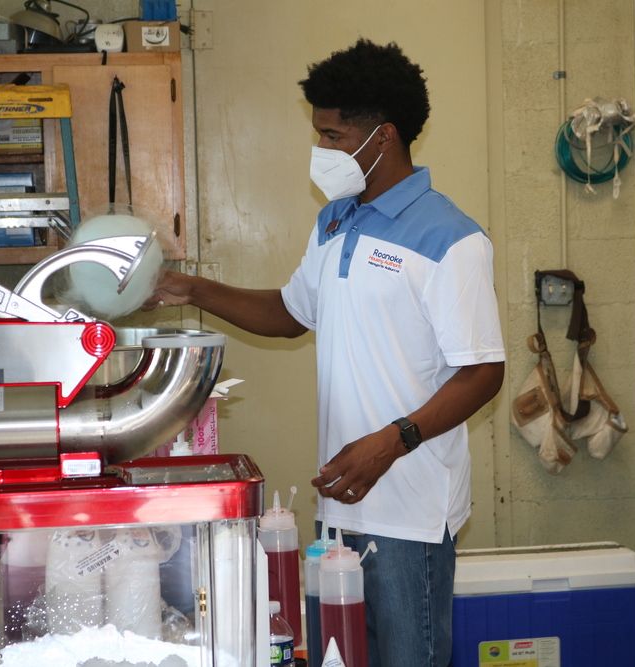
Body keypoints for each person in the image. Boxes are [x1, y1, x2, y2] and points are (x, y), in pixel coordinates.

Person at [143, 39, 505, 667]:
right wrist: (192, 290)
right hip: (343, 496)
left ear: (383, 137)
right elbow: (290, 314)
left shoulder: (452, 239)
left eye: (333, 136)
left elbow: (483, 371)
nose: (322, 152)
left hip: (408, 505)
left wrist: (391, 441)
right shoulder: (336, 221)